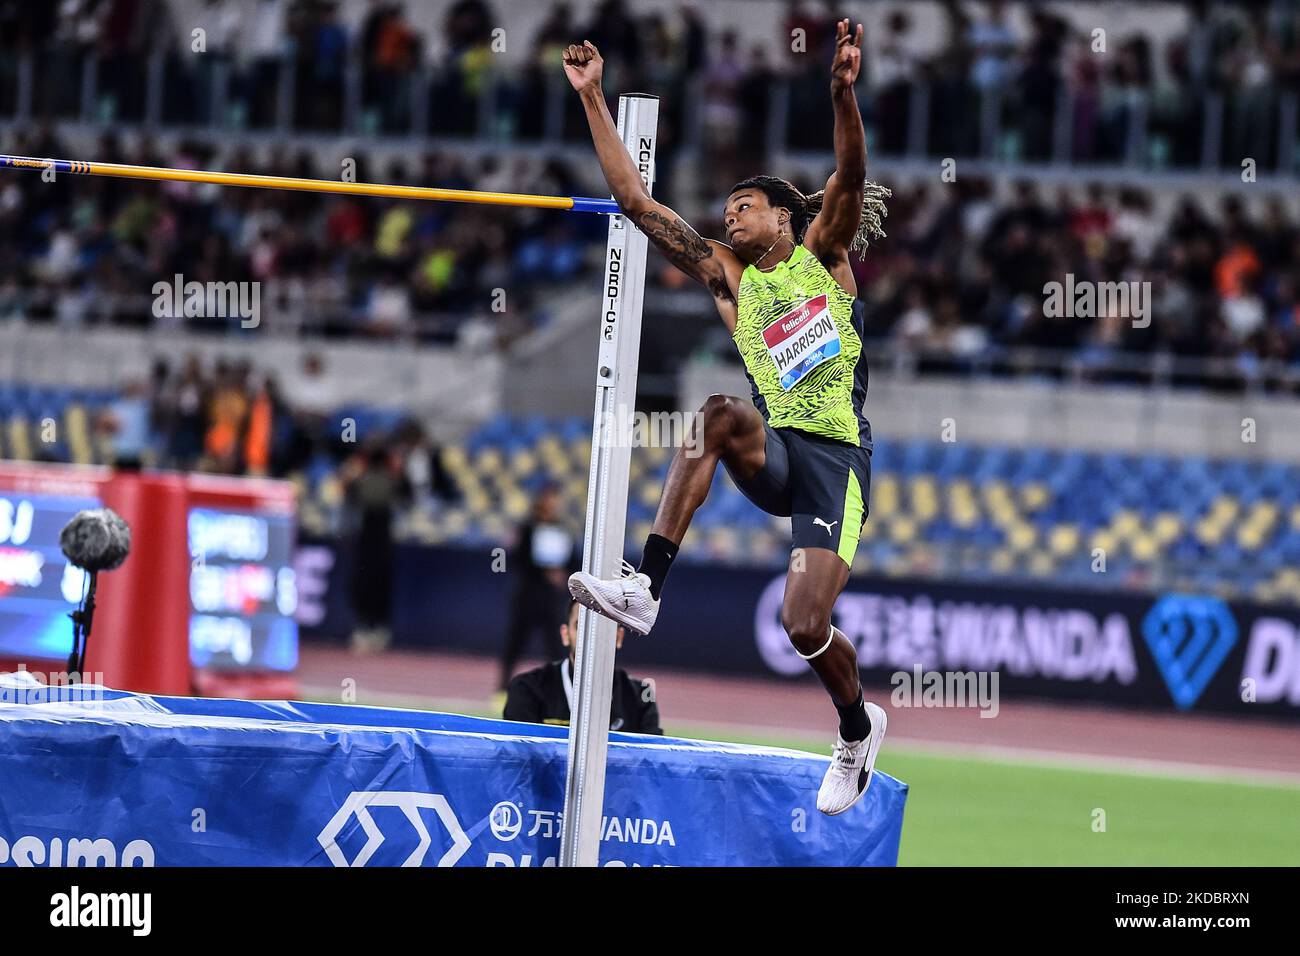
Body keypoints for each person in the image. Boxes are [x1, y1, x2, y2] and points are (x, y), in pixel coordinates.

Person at [562, 22, 889, 816]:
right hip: (774, 450)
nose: (730, 217)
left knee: (803, 622)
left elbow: (850, 170)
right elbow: (636, 202)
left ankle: (856, 726)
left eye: (744, 207)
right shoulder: (728, 282)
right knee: (713, 414)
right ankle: (646, 587)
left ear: (783, 217)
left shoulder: (825, 254)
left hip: (835, 462)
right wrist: (594, 99)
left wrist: (843, 92)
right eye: (726, 209)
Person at [504, 600, 661, 734]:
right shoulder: (527, 688)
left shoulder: (641, 697)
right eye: (581, 626)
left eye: (603, 627)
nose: (591, 636)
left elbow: (651, 762)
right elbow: (519, 760)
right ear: (565, 635)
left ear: (618, 637)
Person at [497, 484, 578, 690]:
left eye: (556, 499)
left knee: (556, 646)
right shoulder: (527, 528)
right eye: (550, 498)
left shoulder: (563, 529)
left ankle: (560, 689)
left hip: (552, 598)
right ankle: (502, 687)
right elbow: (518, 560)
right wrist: (544, 572)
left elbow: (573, 561)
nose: (554, 503)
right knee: (516, 643)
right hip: (528, 595)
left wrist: (563, 576)